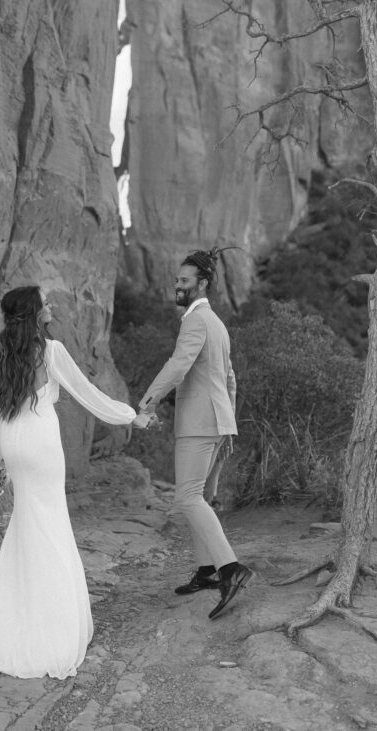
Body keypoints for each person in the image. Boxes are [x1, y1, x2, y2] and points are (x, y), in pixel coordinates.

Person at [0, 285, 152, 679]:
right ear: (34, 312)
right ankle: (50, 629)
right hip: (43, 445)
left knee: (27, 524)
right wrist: (129, 415)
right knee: (50, 526)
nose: (50, 306)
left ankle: (6, 623)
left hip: (16, 446)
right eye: (45, 302)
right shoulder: (51, 351)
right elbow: (88, 394)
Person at [138, 249, 253, 619]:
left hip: (199, 423)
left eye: (184, 282)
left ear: (202, 284)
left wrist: (149, 401)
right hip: (215, 420)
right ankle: (206, 572)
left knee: (187, 498)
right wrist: (229, 423)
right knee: (198, 494)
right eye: (177, 281)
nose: (178, 286)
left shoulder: (196, 321)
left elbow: (179, 365)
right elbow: (230, 377)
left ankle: (230, 570)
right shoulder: (217, 323)